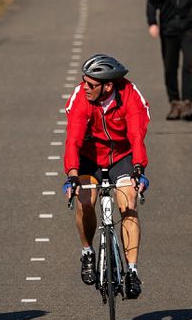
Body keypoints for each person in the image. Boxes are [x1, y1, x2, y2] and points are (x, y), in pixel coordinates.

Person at [61, 54, 151, 299]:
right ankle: (88, 251)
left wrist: (138, 170)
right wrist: (72, 175)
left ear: (108, 86)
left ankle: (131, 270)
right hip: (89, 158)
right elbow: (73, 140)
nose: (84, 87)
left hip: (122, 156)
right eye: (84, 82)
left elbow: (136, 136)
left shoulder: (130, 96)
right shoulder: (81, 97)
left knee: (128, 203)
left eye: (90, 84)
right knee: (85, 203)